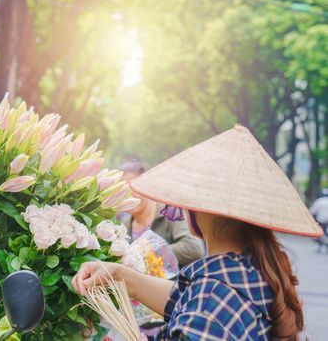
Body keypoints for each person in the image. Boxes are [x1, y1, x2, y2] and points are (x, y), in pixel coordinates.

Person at [73, 125, 323, 340]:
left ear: (197, 212)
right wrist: (119, 274)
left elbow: (198, 304)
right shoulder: (246, 272)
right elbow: (179, 299)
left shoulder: (211, 301)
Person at [118, 160, 204, 266]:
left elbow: (193, 248)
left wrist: (146, 254)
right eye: (122, 190)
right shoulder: (124, 225)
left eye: (132, 187)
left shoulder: (171, 213)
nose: (128, 194)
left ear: (146, 186)